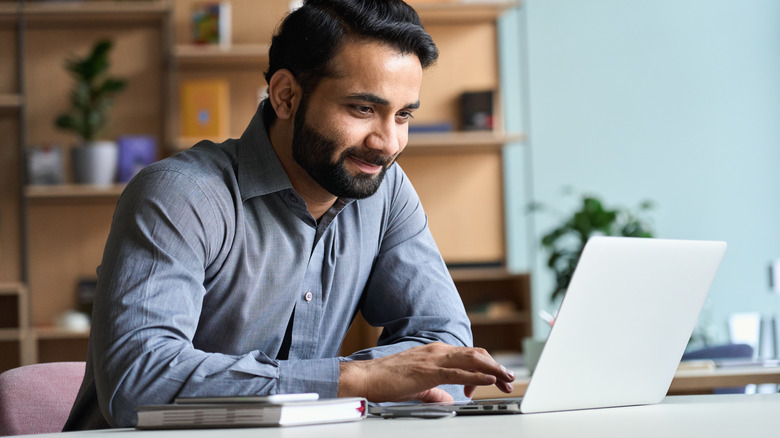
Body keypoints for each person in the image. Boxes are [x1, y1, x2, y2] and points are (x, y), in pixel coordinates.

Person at [64, 0, 514, 430]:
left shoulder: (385, 192)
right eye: (363, 108)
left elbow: (448, 348)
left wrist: (384, 380)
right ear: (285, 96)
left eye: (403, 116)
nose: (388, 142)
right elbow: (138, 381)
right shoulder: (181, 195)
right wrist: (354, 381)